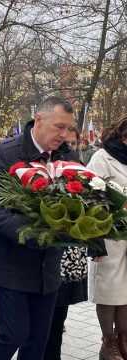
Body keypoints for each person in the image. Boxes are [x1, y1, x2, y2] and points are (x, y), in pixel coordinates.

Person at [0, 96, 78, 360]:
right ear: (40, 119)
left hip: (48, 267)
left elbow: (79, 202)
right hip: (11, 263)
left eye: (69, 128)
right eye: (59, 127)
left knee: (38, 341)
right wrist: (30, 234)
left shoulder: (68, 156)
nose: (65, 134)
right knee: (14, 333)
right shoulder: (6, 152)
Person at [43, 125, 88, 360]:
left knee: (59, 315)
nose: (69, 146)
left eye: (73, 143)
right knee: (43, 321)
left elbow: (89, 203)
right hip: (48, 248)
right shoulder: (43, 162)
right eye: (66, 142)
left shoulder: (76, 163)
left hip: (70, 251)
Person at [87, 114, 127, 360]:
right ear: (123, 135)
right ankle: (108, 341)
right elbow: (90, 194)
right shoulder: (102, 157)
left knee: (126, 291)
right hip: (109, 233)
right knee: (109, 290)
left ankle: (124, 338)